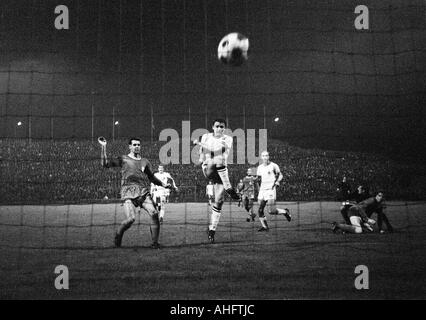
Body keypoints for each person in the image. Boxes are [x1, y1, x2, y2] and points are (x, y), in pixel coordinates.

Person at [99, 137, 171, 248]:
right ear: (130, 146)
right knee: (131, 219)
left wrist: (163, 184)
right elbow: (105, 164)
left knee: (154, 213)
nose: (137, 146)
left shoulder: (145, 161)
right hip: (128, 193)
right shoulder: (123, 159)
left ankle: (155, 243)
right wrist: (103, 147)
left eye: (138, 145)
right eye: (134, 145)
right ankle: (119, 233)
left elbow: (151, 177)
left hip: (142, 192)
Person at [193, 118, 240, 243]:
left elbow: (220, 151)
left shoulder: (228, 138)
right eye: (217, 126)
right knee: (218, 160)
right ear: (212, 127)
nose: (219, 128)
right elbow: (202, 154)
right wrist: (199, 160)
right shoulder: (206, 136)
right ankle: (229, 188)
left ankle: (212, 230)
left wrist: (201, 144)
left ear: (224, 128)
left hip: (221, 171)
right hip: (208, 167)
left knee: (219, 201)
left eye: (222, 127)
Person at [256, 151, 291, 232]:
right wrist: (259, 190)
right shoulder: (260, 167)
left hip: (270, 190)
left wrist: (277, 181)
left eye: (266, 156)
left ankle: (285, 212)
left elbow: (281, 175)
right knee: (260, 210)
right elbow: (258, 179)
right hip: (262, 191)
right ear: (261, 157)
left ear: (269, 156)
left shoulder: (274, 166)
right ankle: (265, 227)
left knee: (271, 211)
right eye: (263, 156)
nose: (265, 157)